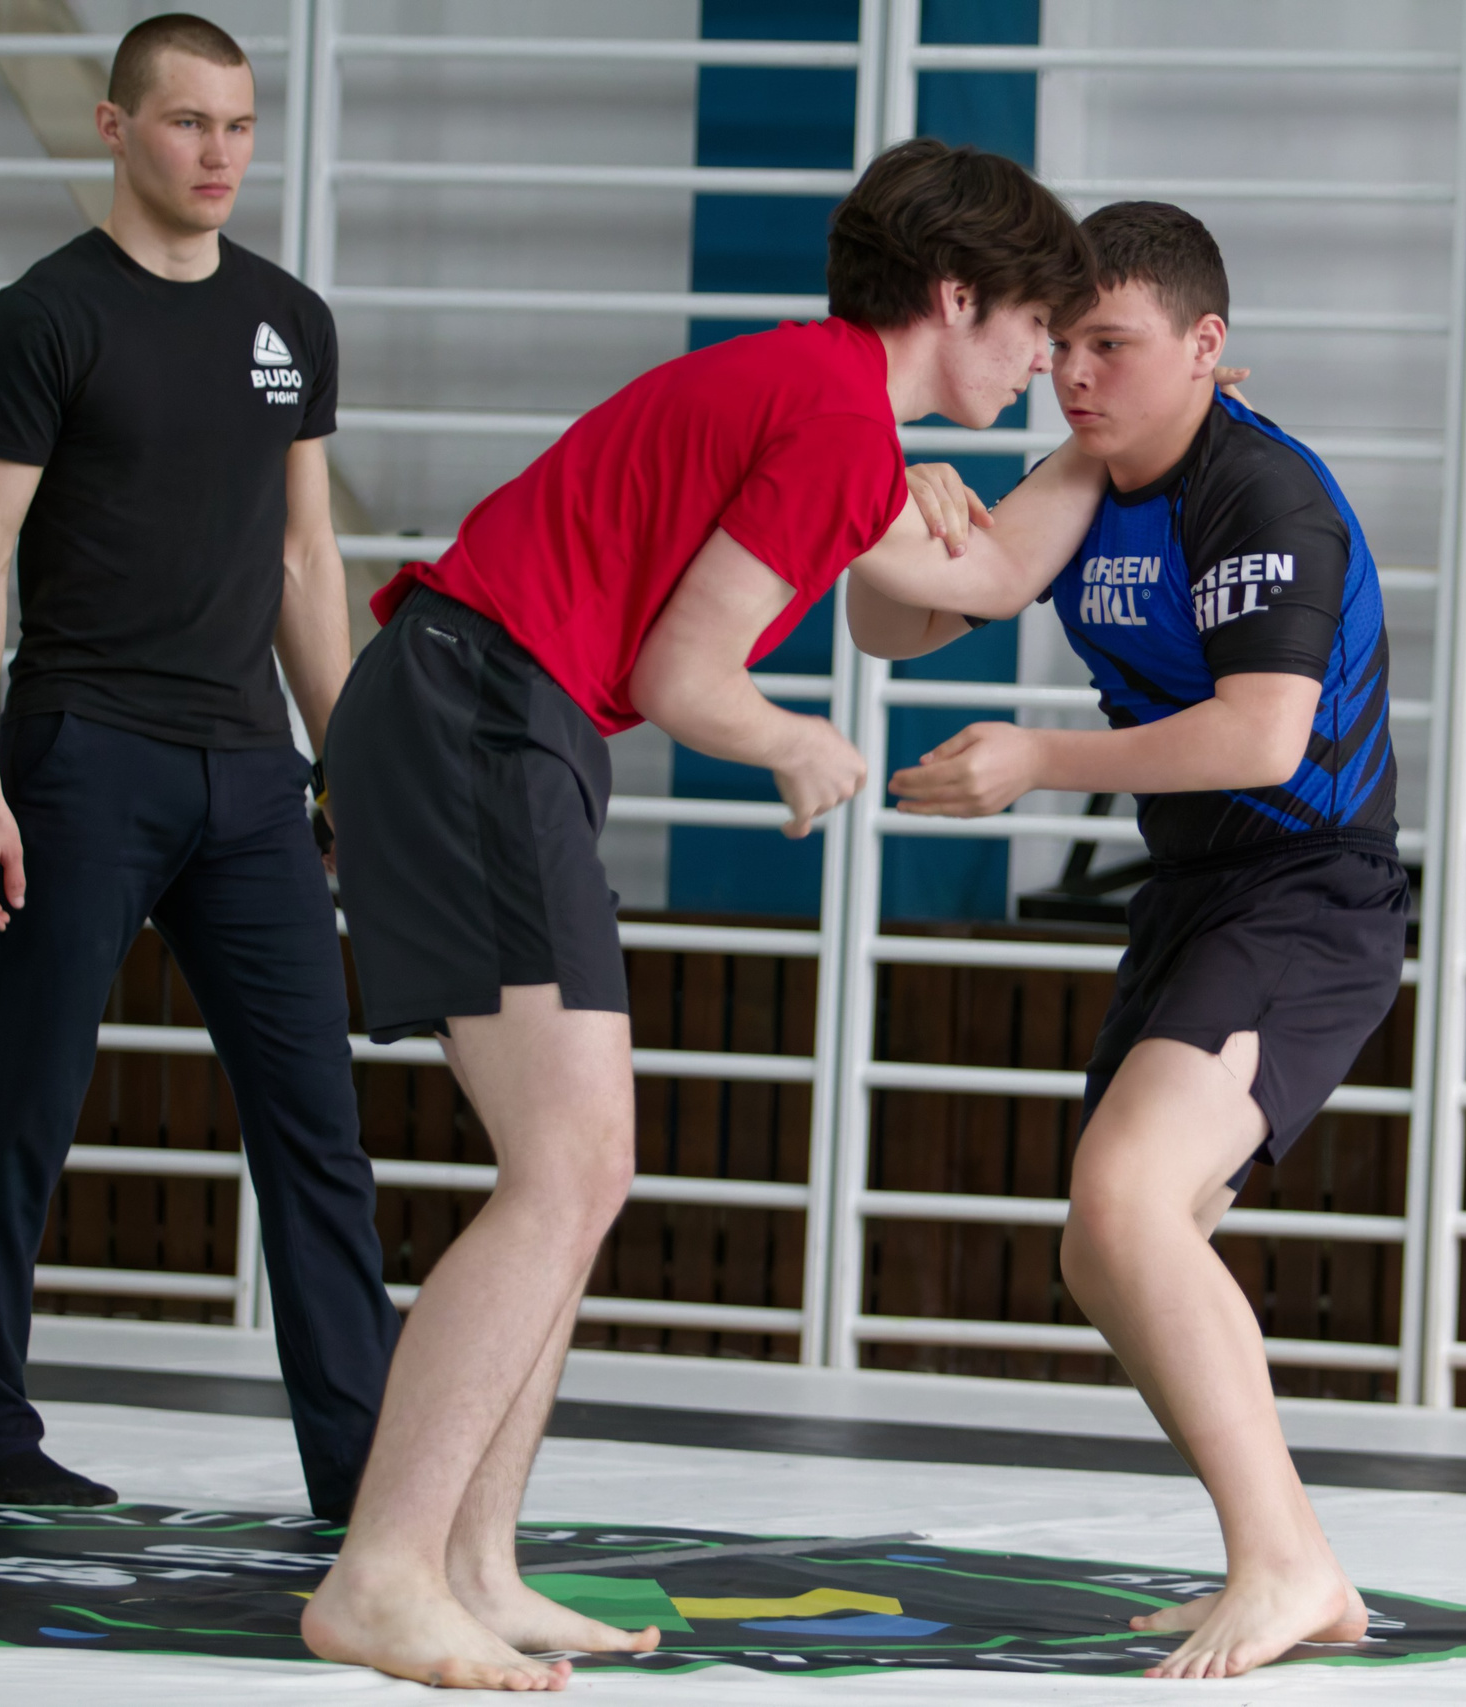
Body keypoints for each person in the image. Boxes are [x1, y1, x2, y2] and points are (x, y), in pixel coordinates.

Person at [299, 138, 1102, 1691]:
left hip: (490, 712)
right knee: (572, 1165)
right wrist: (797, 741)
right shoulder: (835, 418)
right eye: (1034, 330)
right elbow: (685, 676)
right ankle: (383, 1570)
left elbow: (989, 574)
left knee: (573, 1174)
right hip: (480, 711)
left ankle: (472, 1564)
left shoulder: (827, 403)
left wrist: (1122, 436)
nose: (1043, 363)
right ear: (956, 296)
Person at [846, 201, 1403, 1681]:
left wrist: (1037, 760)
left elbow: (1262, 736)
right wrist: (888, 511)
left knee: (1126, 1199)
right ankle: (1291, 1565)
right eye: (1062, 345)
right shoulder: (1086, 472)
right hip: (1196, 898)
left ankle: (1288, 1562)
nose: (1074, 374)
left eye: (1113, 345)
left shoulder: (1260, 494)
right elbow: (906, 621)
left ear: (1206, 346)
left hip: (1308, 893)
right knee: (1110, 1253)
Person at [0, 14, 398, 1520]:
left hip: (251, 774)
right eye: (189, 122)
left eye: (239, 126)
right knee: (23, 1103)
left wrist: (351, 773)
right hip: (84, 757)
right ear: (116, 128)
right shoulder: (44, 317)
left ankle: (364, 1477)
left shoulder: (288, 320)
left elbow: (306, 559)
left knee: (316, 1123)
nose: (219, 153)